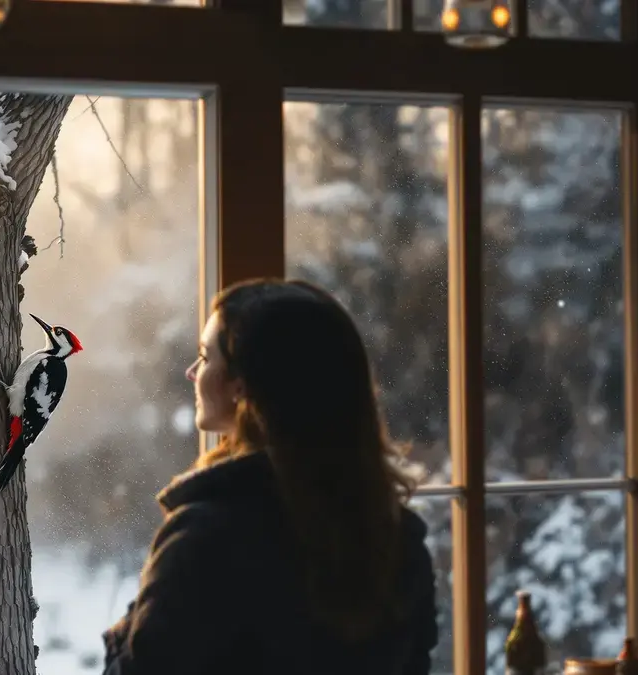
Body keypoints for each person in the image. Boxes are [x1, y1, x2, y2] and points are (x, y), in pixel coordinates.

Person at [101, 278, 439, 675]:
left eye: (206, 357)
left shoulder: (206, 540)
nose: (192, 372)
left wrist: (127, 628)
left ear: (240, 386)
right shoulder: (396, 536)